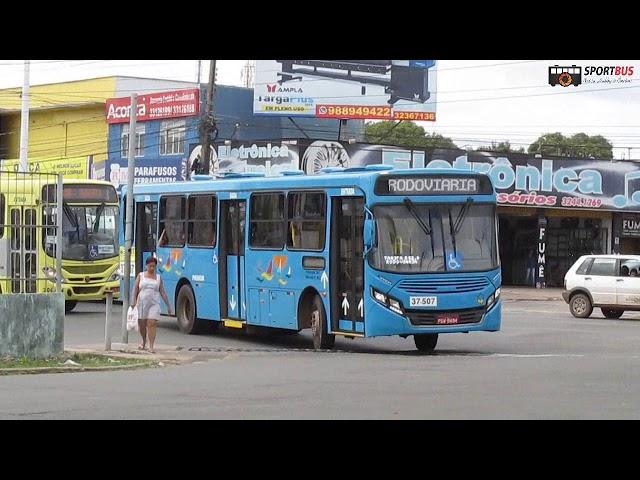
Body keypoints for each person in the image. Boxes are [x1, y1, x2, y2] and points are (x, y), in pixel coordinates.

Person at [131, 256, 174, 353]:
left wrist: (169, 306)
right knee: (142, 323)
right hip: (142, 303)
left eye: (154, 266)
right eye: (150, 266)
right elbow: (135, 289)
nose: (152, 268)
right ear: (146, 266)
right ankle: (143, 340)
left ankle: (151, 346)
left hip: (154, 303)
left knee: (152, 323)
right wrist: (133, 301)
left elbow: (162, 292)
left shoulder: (158, 278)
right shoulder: (141, 275)